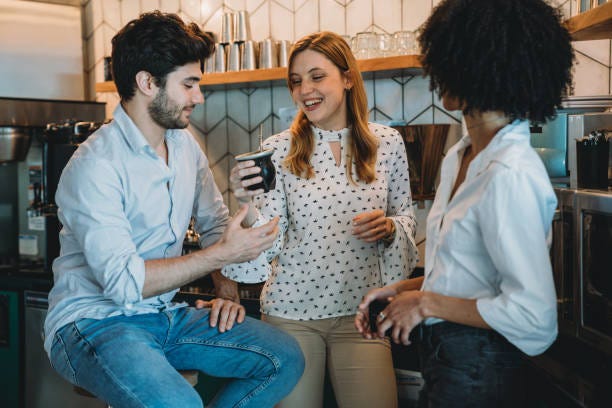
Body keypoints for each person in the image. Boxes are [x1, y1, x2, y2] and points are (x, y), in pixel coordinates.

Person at [43, 11, 304, 408]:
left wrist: (226, 291)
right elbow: (124, 284)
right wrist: (221, 255)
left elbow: (215, 222)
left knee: (284, 359)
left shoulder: (184, 146)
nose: (198, 97)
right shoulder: (95, 165)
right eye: (189, 84)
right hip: (93, 325)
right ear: (147, 83)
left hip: (164, 315)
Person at [355, 0, 574, 406]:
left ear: (484, 68)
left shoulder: (508, 173)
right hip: (448, 361)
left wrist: (424, 303)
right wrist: (401, 292)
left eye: (449, 63)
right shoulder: (462, 155)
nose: (437, 77)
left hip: (484, 370)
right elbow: (470, 277)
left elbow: (534, 319)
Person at [222, 31, 419, 408]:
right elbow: (268, 238)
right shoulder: (276, 150)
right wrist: (247, 203)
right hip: (290, 315)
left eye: (316, 76)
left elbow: (405, 216)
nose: (304, 90)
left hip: (361, 315)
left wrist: (391, 228)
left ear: (347, 78)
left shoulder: (387, 143)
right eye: (296, 81)